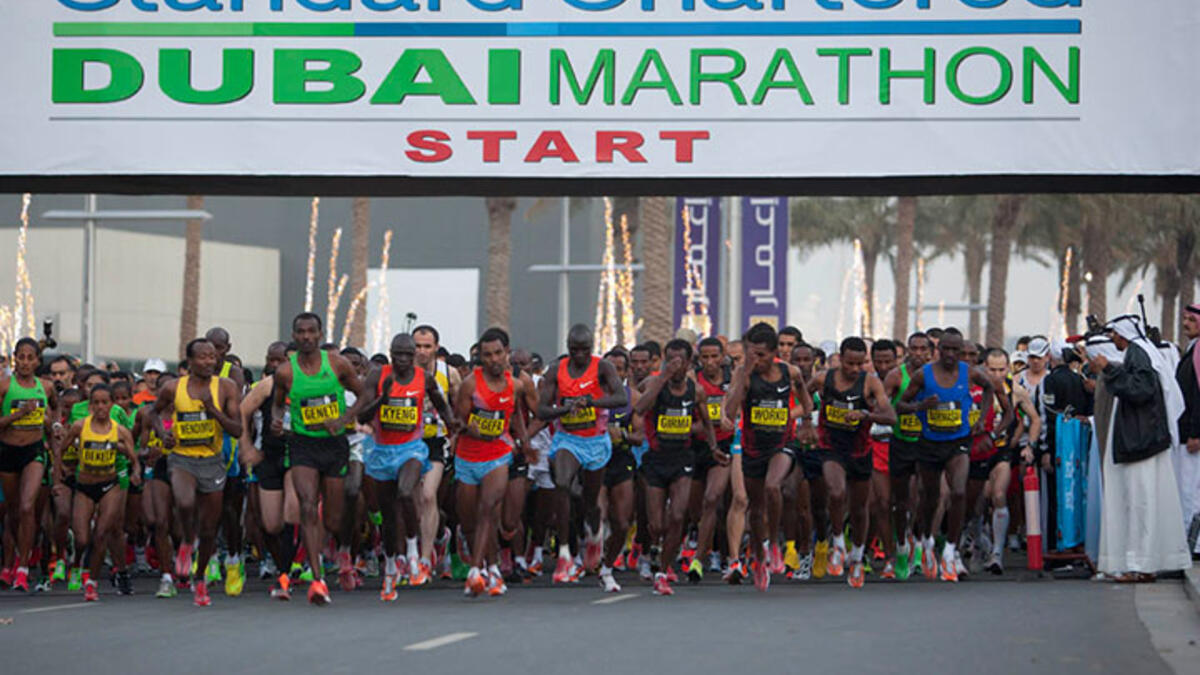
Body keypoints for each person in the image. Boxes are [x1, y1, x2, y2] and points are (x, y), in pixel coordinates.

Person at [270, 313, 368, 605]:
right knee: (308, 507)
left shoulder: (338, 364)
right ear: (294, 335)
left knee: (334, 519)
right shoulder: (285, 372)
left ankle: (333, 551)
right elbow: (276, 406)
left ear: (320, 333)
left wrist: (345, 418)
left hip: (334, 445)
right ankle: (317, 578)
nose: (306, 337)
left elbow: (364, 395)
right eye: (300, 332)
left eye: (311, 332)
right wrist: (277, 421)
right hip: (302, 445)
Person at [1090, 316, 1191, 580]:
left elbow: (1141, 389)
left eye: (1114, 334)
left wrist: (1108, 370)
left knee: (1140, 502)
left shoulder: (1138, 353)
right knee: (1138, 501)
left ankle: (1140, 566)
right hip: (1142, 440)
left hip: (1141, 442)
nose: (1112, 339)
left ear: (1123, 335)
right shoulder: (1139, 352)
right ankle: (1138, 563)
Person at [897, 331, 1000, 582]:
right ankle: (922, 540)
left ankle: (950, 551)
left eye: (956, 350)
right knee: (929, 499)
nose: (952, 355)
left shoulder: (969, 373)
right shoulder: (924, 375)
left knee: (958, 492)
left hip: (958, 442)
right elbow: (900, 405)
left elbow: (989, 388)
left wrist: (981, 421)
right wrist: (920, 407)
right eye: (947, 350)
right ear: (938, 350)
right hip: (930, 444)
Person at [360, 333, 455, 600]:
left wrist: (453, 424)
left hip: (412, 448)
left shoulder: (423, 378)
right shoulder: (377, 376)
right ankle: (391, 566)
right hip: (382, 450)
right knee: (389, 515)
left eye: (407, 355)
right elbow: (363, 415)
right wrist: (383, 398)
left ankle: (414, 552)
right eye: (397, 354)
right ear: (390, 354)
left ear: (414, 355)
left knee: (406, 493)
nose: (402, 360)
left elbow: (441, 405)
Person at [148, 338, 242, 606]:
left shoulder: (225, 387)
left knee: (211, 528)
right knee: (185, 502)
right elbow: (152, 414)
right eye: (202, 357)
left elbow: (237, 429)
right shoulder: (173, 388)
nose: (209, 361)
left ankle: (200, 579)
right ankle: (188, 541)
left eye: (212, 356)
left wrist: (213, 409)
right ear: (189, 361)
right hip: (182, 458)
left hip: (213, 461)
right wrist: (163, 433)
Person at [722, 322, 812, 591]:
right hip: (753, 447)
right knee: (756, 508)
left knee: (774, 486)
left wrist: (801, 420)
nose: (755, 359)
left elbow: (806, 401)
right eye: (751, 353)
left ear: (774, 353)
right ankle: (760, 558)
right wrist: (745, 375)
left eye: (760, 355)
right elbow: (730, 410)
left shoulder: (790, 372)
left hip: (782, 444)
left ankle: (774, 543)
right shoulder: (744, 372)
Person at [537, 324, 628, 583]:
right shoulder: (556, 370)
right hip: (568, 439)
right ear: (567, 348)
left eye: (584, 350)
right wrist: (564, 410)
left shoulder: (602, 367)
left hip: (596, 441)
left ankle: (595, 534)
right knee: (562, 484)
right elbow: (542, 410)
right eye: (574, 350)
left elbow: (621, 398)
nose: (579, 355)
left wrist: (592, 402)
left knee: (590, 502)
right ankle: (564, 554)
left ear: (592, 348)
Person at [810, 337, 896, 587]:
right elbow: (802, 398)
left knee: (860, 509)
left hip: (859, 450)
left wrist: (867, 413)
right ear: (840, 358)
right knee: (835, 493)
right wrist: (806, 422)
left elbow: (890, 416)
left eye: (860, 364)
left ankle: (857, 557)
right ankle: (837, 543)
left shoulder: (870, 382)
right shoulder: (823, 379)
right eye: (849, 363)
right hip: (830, 447)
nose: (854, 369)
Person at [635, 339, 718, 596]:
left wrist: (715, 448)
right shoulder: (654, 384)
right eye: (669, 360)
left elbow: (707, 424)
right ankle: (653, 548)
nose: (674, 366)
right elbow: (639, 408)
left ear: (689, 363)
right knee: (657, 524)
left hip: (682, 458)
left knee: (679, 515)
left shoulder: (697, 391)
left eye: (679, 361)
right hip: (656, 460)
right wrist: (663, 377)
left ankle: (662, 571)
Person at [455, 328, 532, 597]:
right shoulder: (470, 385)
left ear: (507, 353)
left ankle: (475, 572)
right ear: (480, 357)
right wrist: (469, 427)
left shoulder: (516, 385)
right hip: (468, 456)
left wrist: (524, 442)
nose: (493, 359)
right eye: (487, 355)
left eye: (498, 353)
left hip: (498, 453)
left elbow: (514, 417)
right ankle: (492, 567)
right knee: (470, 522)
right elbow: (457, 422)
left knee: (488, 508)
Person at [53, 384, 140, 601]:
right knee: (82, 538)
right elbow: (60, 451)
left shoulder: (119, 430)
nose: (101, 407)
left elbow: (134, 458)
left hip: (110, 484)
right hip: (84, 486)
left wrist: (135, 473)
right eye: (96, 403)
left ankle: (91, 581)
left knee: (102, 532)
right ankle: (77, 564)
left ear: (111, 405)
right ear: (90, 405)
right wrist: (60, 475)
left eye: (105, 402)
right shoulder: (80, 426)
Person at [238, 342, 298, 599]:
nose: (277, 365)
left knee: (292, 515)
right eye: (272, 360)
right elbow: (241, 412)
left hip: (300, 456)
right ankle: (281, 564)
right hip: (269, 455)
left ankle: (285, 575)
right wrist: (247, 447)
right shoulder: (267, 385)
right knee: (271, 524)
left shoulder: (312, 385)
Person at [0, 338, 57, 592]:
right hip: (8, 450)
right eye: (20, 357)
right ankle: (12, 560)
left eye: (29, 357)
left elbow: (55, 410)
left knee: (27, 506)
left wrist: (54, 425)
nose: (24, 362)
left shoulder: (45, 387)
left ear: (37, 361)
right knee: (13, 512)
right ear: (15, 359)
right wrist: (19, 415)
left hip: (34, 450)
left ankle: (23, 568)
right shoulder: (4, 386)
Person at [977, 348, 1040, 573]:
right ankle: (979, 539)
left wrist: (1029, 446)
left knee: (999, 495)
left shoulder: (1016, 390)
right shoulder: (973, 387)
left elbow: (1035, 419)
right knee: (979, 500)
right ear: (984, 367)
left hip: (1002, 451)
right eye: (991, 370)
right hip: (976, 452)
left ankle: (996, 553)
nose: (996, 374)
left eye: (1001, 369)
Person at [689, 337, 734, 583]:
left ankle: (699, 559)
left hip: (725, 447)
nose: (710, 362)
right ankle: (706, 543)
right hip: (697, 448)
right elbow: (688, 426)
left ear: (723, 357)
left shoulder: (732, 379)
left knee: (713, 498)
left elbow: (740, 413)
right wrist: (711, 424)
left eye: (714, 357)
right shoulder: (693, 382)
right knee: (695, 510)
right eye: (705, 357)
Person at [598, 348, 641, 593]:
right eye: (609, 369)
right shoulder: (591, 395)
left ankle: (607, 567)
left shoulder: (631, 397)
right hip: (597, 460)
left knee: (622, 523)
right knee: (599, 514)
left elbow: (640, 434)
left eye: (619, 369)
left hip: (621, 459)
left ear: (625, 372)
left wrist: (622, 434)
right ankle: (593, 548)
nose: (613, 374)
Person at [1173, 304, 1200, 555]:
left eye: (1191, 320)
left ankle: (1193, 544)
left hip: (1192, 436)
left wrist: (1196, 433)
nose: (1186, 324)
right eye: (1184, 319)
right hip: (1185, 433)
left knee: (1191, 492)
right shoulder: (1192, 350)